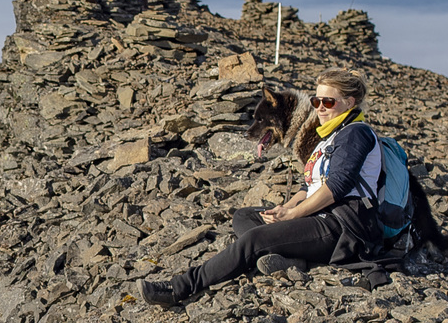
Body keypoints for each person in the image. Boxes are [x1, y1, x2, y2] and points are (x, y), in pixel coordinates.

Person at [141, 68, 387, 308]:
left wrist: (292, 215)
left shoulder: (356, 133)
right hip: (321, 216)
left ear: (349, 102)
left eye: (328, 102)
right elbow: (309, 184)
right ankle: (291, 259)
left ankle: (179, 287)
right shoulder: (331, 136)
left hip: (342, 226)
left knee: (254, 239)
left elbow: (337, 186)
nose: (320, 107)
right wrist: (286, 207)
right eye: (316, 100)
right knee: (245, 216)